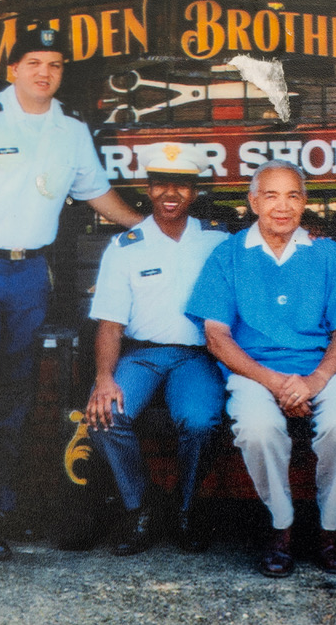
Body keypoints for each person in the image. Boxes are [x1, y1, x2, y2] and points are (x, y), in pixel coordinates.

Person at [0, 25, 143, 561]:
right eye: (33, 63)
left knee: (16, 398)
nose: (44, 73)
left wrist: (146, 227)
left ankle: (3, 506)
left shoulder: (69, 127)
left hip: (30, 275)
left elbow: (95, 192)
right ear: (12, 70)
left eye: (54, 64)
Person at [186, 159, 336, 579]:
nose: (282, 206)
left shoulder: (324, 252)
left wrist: (317, 380)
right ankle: (282, 527)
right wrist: (274, 383)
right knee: (257, 429)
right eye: (271, 195)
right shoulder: (228, 255)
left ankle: (329, 529)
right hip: (254, 372)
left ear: (305, 202)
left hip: (321, 371)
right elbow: (216, 337)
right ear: (254, 202)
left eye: (292, 195)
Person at [83, 142, 229, 556]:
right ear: (148, 189)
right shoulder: (126, 246)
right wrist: (104, 378)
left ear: (194, 193)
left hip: (197, 356)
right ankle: (141, 507)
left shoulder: (216, 241)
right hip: (141, 354)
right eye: (162, 184)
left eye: (181, 186)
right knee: (106, 416)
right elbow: (110, 323)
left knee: (200, 421)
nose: (171, 194)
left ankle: (184, 509)